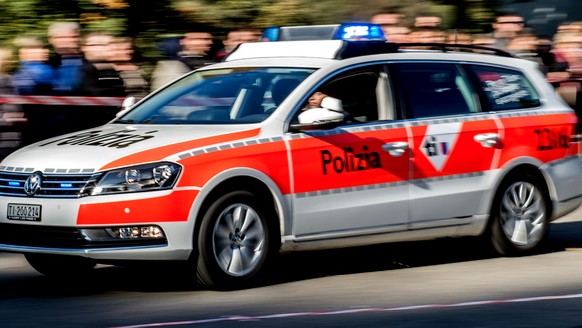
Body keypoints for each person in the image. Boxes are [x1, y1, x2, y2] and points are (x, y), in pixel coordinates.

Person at [47, 21, 84, 95]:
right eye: (62, 37)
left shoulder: (88, 62)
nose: (68, 40)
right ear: (51, 40)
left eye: (73, 37)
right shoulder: (46, 64)